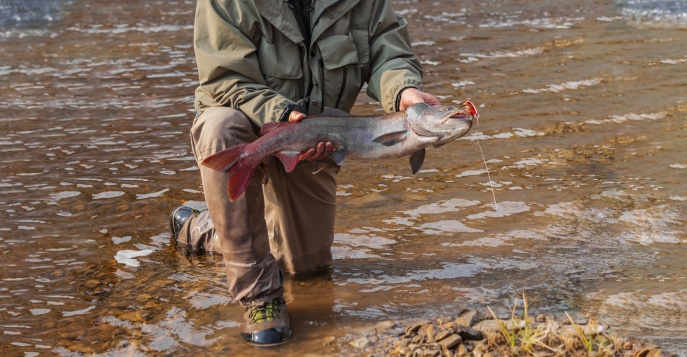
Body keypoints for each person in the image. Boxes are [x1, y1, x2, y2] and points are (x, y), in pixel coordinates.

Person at [169, 0, 440, 345]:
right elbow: (226, 79)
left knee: (305, 271)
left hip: (315, 143)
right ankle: (259, 299)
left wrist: (404, 89)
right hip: (247, 125)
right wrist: (284, 116)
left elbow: (387, 51)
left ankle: (211, 228)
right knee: (219, 126)